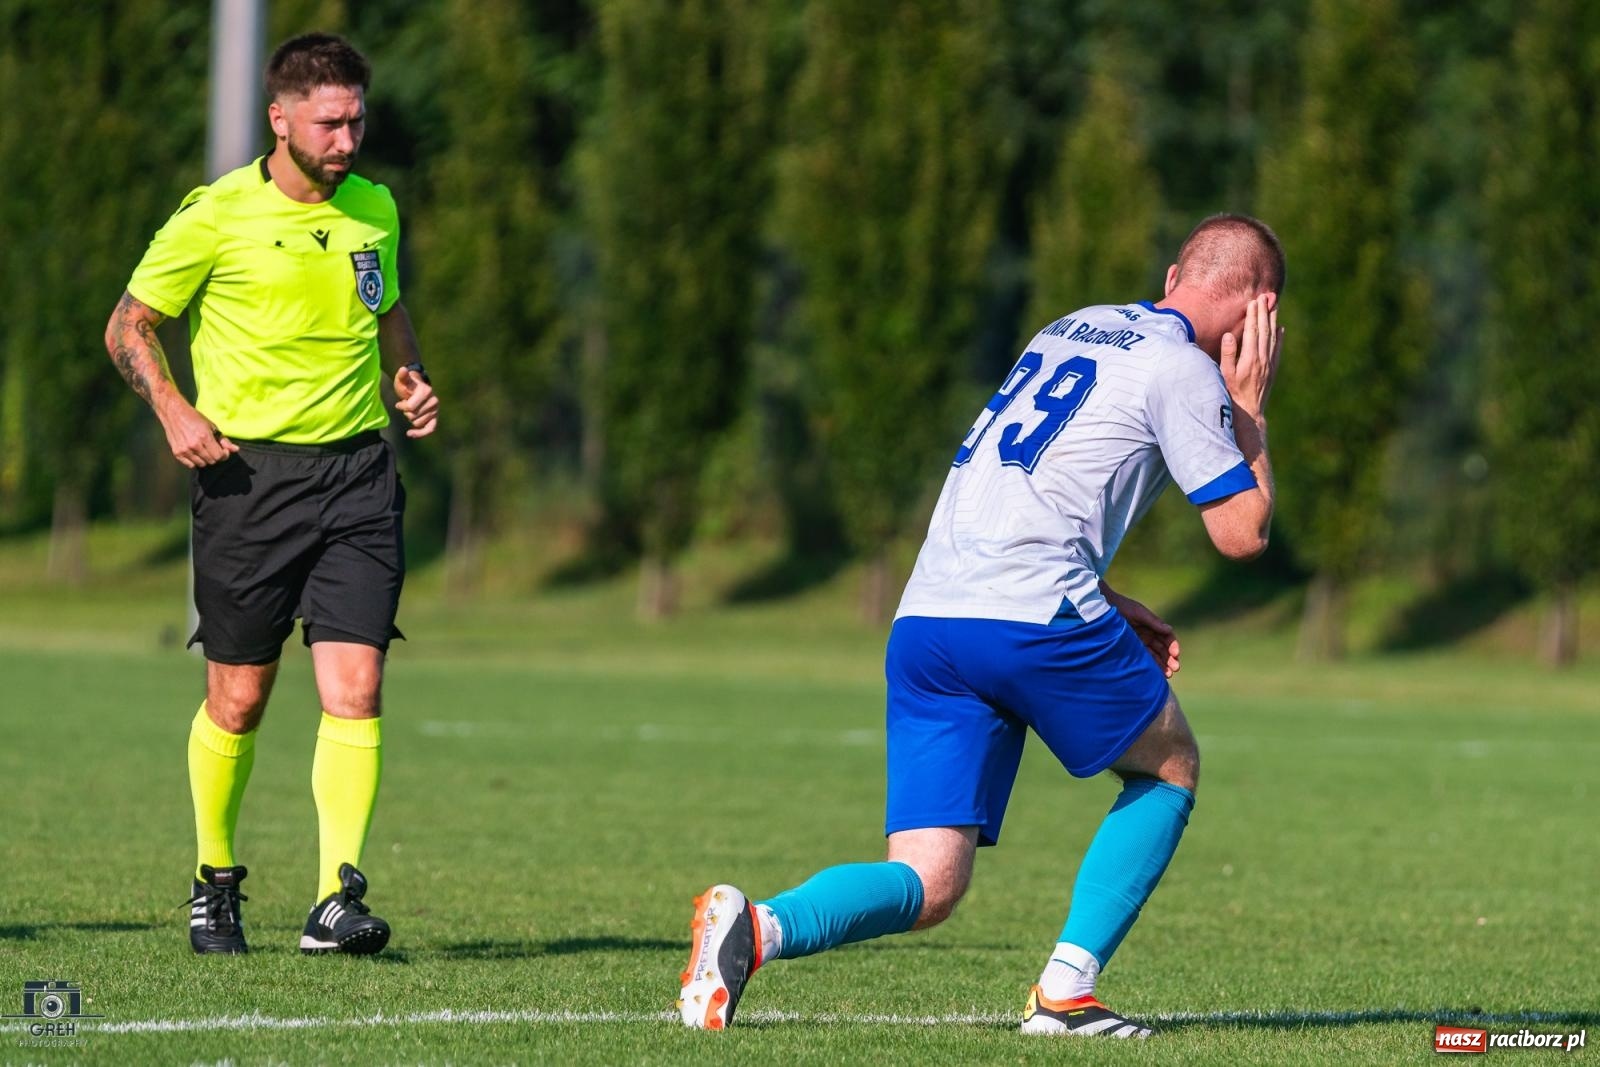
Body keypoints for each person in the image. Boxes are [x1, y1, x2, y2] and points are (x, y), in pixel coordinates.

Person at [678, 214, 1284, 1035]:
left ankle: (752, 927)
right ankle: (1065, 994)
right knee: (1171, 766)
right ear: (1261, 309)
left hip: (929, 618)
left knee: (930, 880)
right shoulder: (1183, 369)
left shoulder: (1067, 327)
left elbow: (1029, 486)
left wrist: (1103, 593)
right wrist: (1249, 406)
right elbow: (1241, 532)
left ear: (1176, 274)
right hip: (1033, 614)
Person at [104, 32, 439, 956]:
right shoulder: (214, 216)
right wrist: (173, 411)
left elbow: (387, 303)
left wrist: (407, 377)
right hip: (249, 481)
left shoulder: (376, 208)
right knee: (239, 700)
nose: (346, 140)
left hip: (358, 477)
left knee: (357, 685)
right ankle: (216, 881)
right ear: (279, 119)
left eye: (357, 121)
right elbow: (129, 325)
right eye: (329, 123)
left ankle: (337, 898)